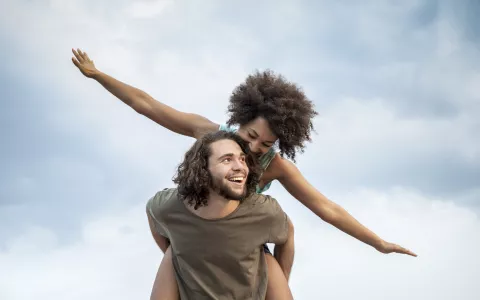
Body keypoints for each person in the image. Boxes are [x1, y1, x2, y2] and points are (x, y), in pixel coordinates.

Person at [71, 48, 417, 299]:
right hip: (196, 228)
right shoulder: (209, 133)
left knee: (279, 242)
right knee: (175, 246)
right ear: (240, 121)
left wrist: (378, 243)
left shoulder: (276, 166)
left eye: (265, 144)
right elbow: (146, 104)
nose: (252, 149)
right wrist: (98, 75)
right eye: (250, 136)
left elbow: (326, 209)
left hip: (245, 242)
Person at [147, 130, 294, 299]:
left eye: (242, 159)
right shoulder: (170, 206)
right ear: (203, 169)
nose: (240, 167)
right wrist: (179, 253)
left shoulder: (262, 211)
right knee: (172, 254)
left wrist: (281, 280)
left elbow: (287, 231)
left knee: (267, 259)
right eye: (227, 159)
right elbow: (152, 213)